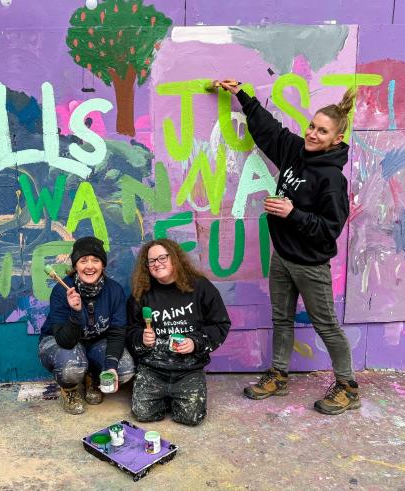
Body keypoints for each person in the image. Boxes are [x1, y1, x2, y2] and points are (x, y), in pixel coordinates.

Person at [217, 79, 359, 415]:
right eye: (312, 126)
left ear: (337, 139)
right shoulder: (296, 151)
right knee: (281, 319)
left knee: (326, 325)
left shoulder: (333, 181)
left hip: (310, 264)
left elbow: (329, 231)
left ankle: (348, 386)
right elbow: (270, 130)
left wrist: (293, 213)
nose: (312, 134)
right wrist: (240, 94)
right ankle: (278, 376)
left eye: (322, 132)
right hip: (281, 257)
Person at [127, 238, 230, 426]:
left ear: (174, 258)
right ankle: (165, 396)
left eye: (162, 258)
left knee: (191, 418)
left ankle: (175, 395)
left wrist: (195, 342)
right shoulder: (142, 292)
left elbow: (220, 325)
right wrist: (140, 338)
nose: (157, 264)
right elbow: (130, 329)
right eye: (151, 261)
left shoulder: (200, 286)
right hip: (152, 369)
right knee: (143, 414)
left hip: (188, 369)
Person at [38, 236, 135, 415]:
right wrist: (75, 312)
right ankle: (70, 390)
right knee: (71, 368)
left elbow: (117, 332)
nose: (89, 266)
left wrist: (111, 365)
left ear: (103, 265)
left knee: (125, 370)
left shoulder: (114, 291)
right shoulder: (62, 290)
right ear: (75, 266)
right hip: (61, 342)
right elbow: (65, 341)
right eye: (83, 261)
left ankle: (93, 377)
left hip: (96, 343)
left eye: (95, 260)